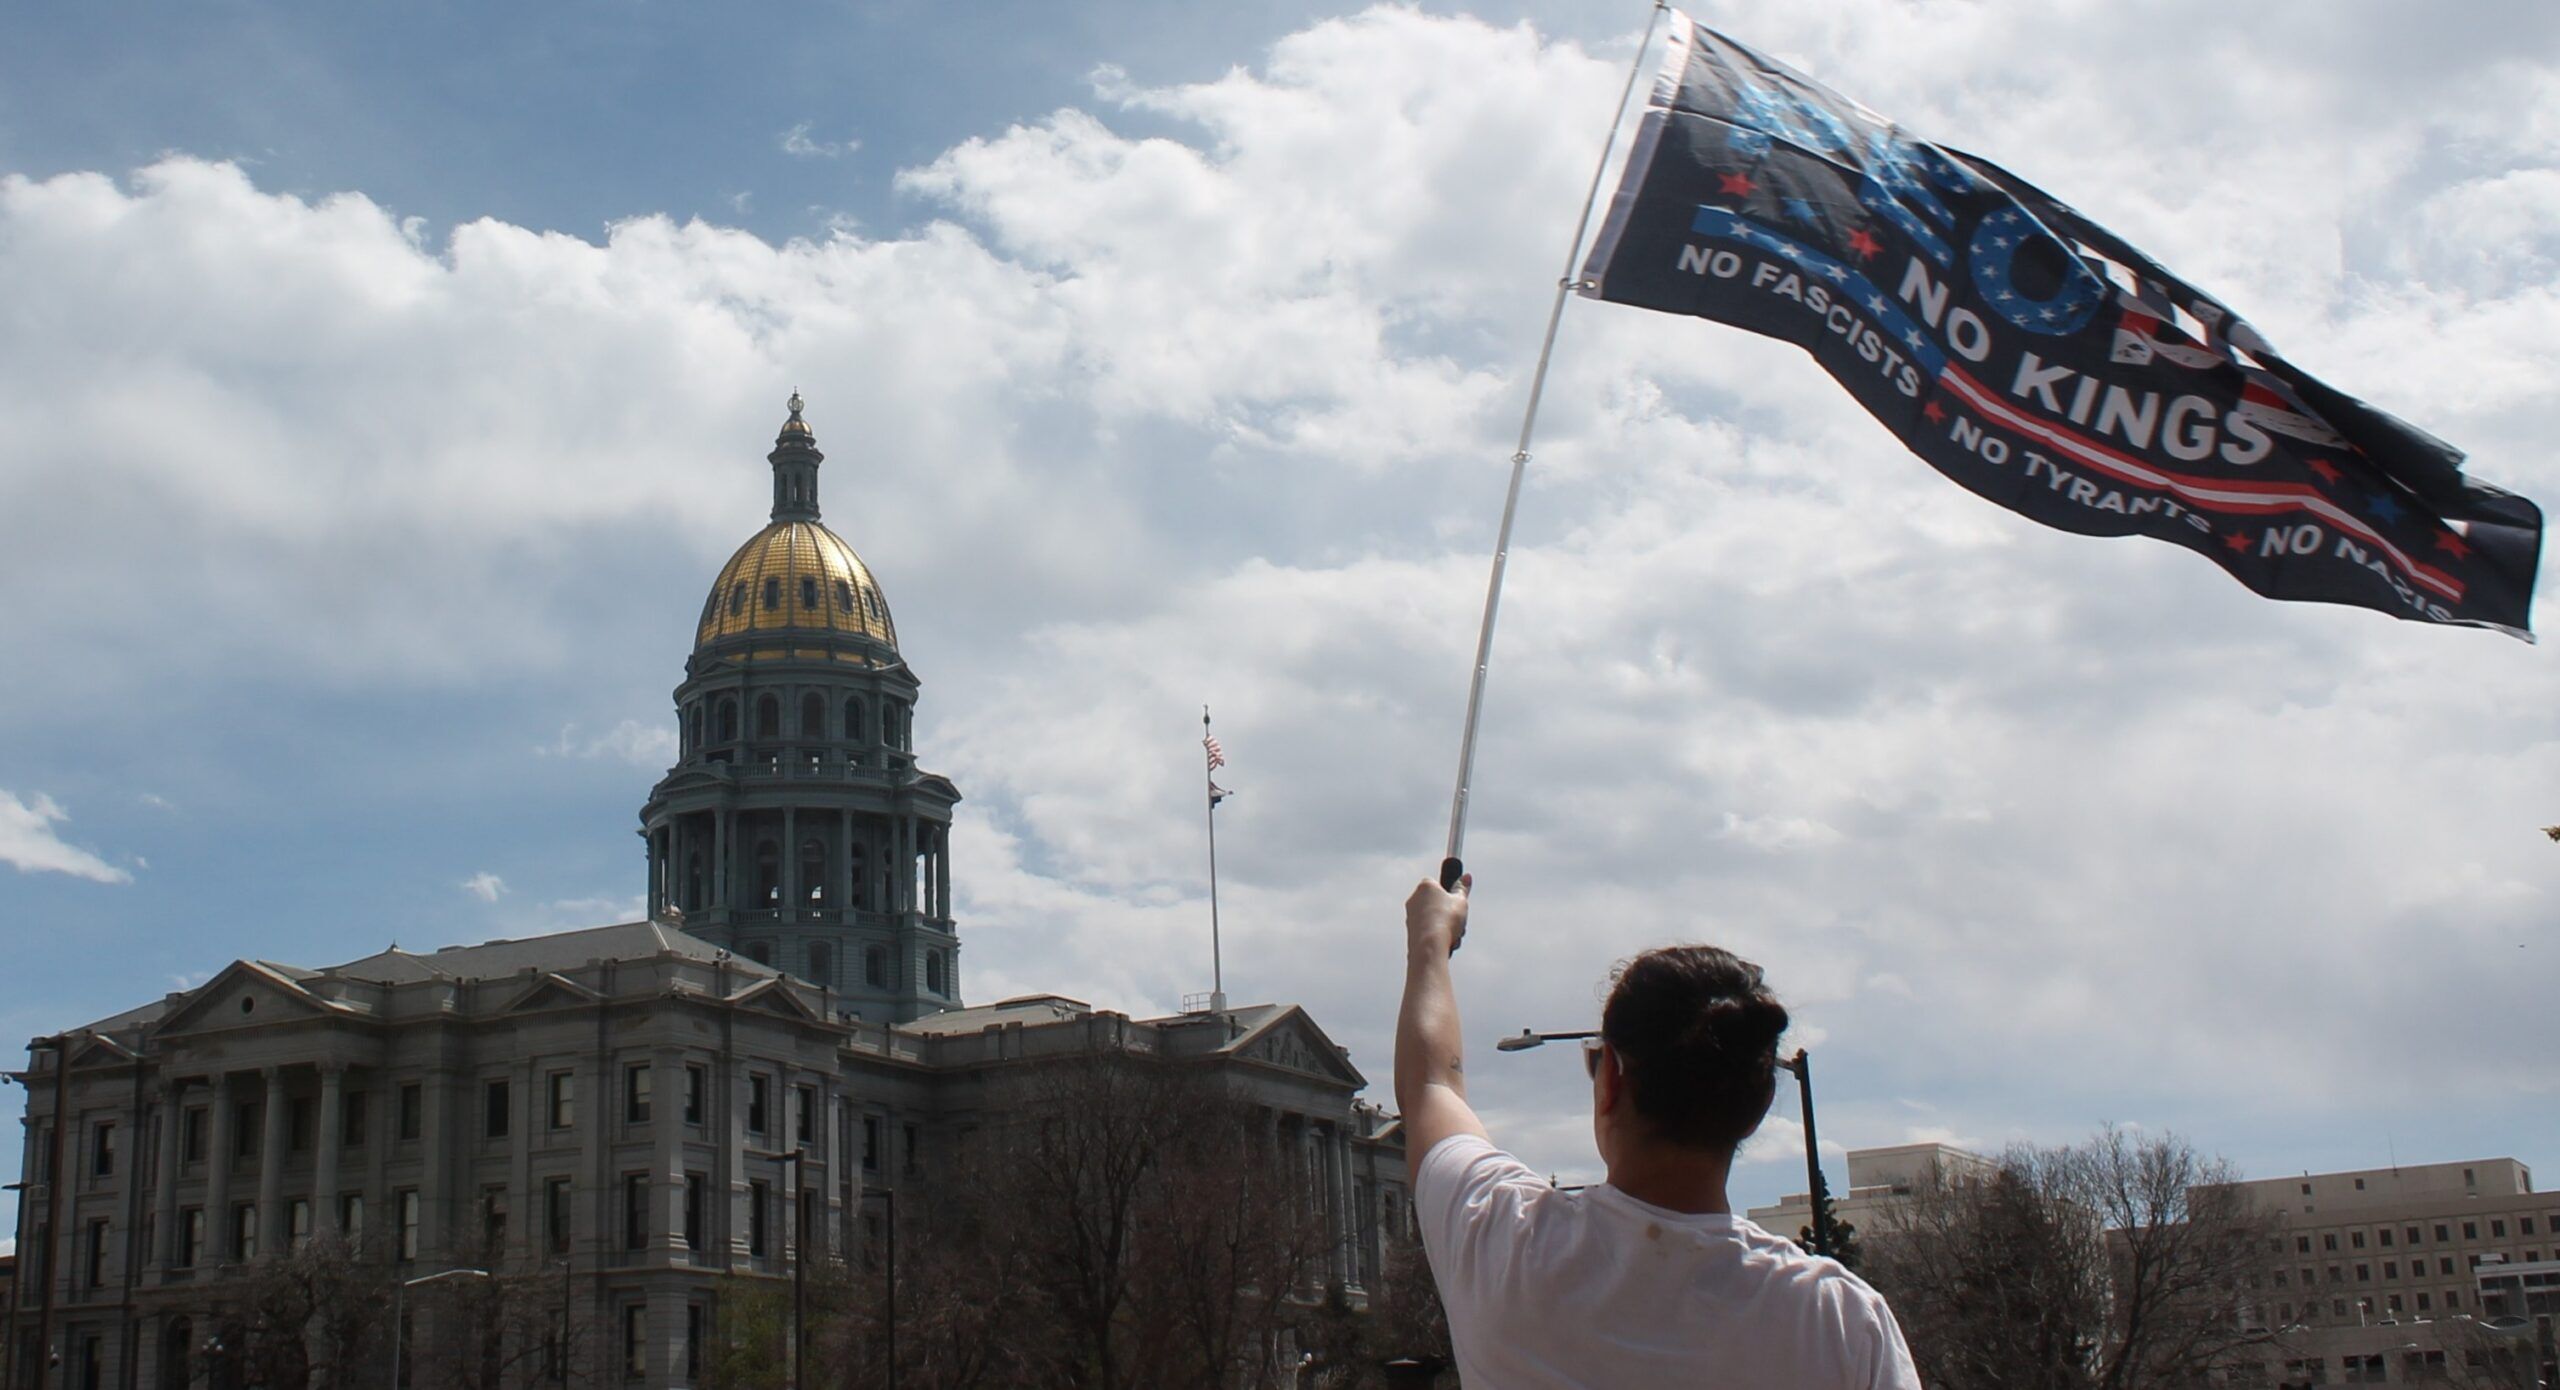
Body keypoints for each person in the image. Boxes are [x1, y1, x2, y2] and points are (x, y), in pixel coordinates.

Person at [1394, 874, 1920, 1388]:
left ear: (1613, 1078)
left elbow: (1431, 1086)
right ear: (1757, 1108)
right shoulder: (1842, 1324)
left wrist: (1430, 943)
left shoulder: (1505, 1246)